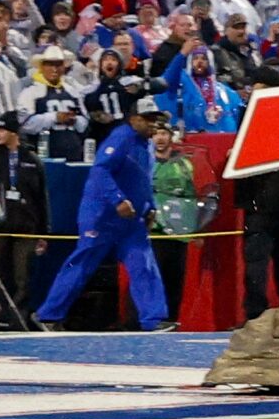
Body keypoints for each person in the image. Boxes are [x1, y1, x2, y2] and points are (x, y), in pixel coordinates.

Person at [34, 97, 176, 331]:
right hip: (102, 216)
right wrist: (117, 199)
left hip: (130, 221)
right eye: (149, 119)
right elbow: (100, 171)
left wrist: (150, 207)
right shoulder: (121, 138)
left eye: (156, 120)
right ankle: (48, 315)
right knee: (82, 264)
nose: (154, 124)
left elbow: (143, 180)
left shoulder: (146, 145)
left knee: (144, 265)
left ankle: (154, 319)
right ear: (134, 119)